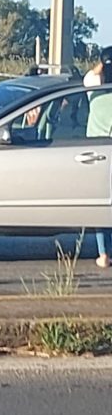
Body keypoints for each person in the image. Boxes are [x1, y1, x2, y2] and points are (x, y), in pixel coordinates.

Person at [83, 46, 112, 268]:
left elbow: (91, 75)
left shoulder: (95, 89)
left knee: (101, 206)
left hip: (97, 150)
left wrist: (103, 63)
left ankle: (104, 254)